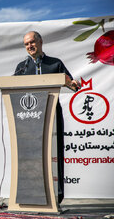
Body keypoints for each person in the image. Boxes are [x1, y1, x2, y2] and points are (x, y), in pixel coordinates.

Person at [14, 31, 80, 204]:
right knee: (30, 157)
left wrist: (72, 84)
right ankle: (32, 195)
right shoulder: (22, 67)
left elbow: (71, 84)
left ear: (40, 42)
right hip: (29, 119)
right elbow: (12, 88)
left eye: (32, 42)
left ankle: (56, 197)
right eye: (26, 44)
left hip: (52, 116)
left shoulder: (55, 63)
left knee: (54, 155)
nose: (29, 46)